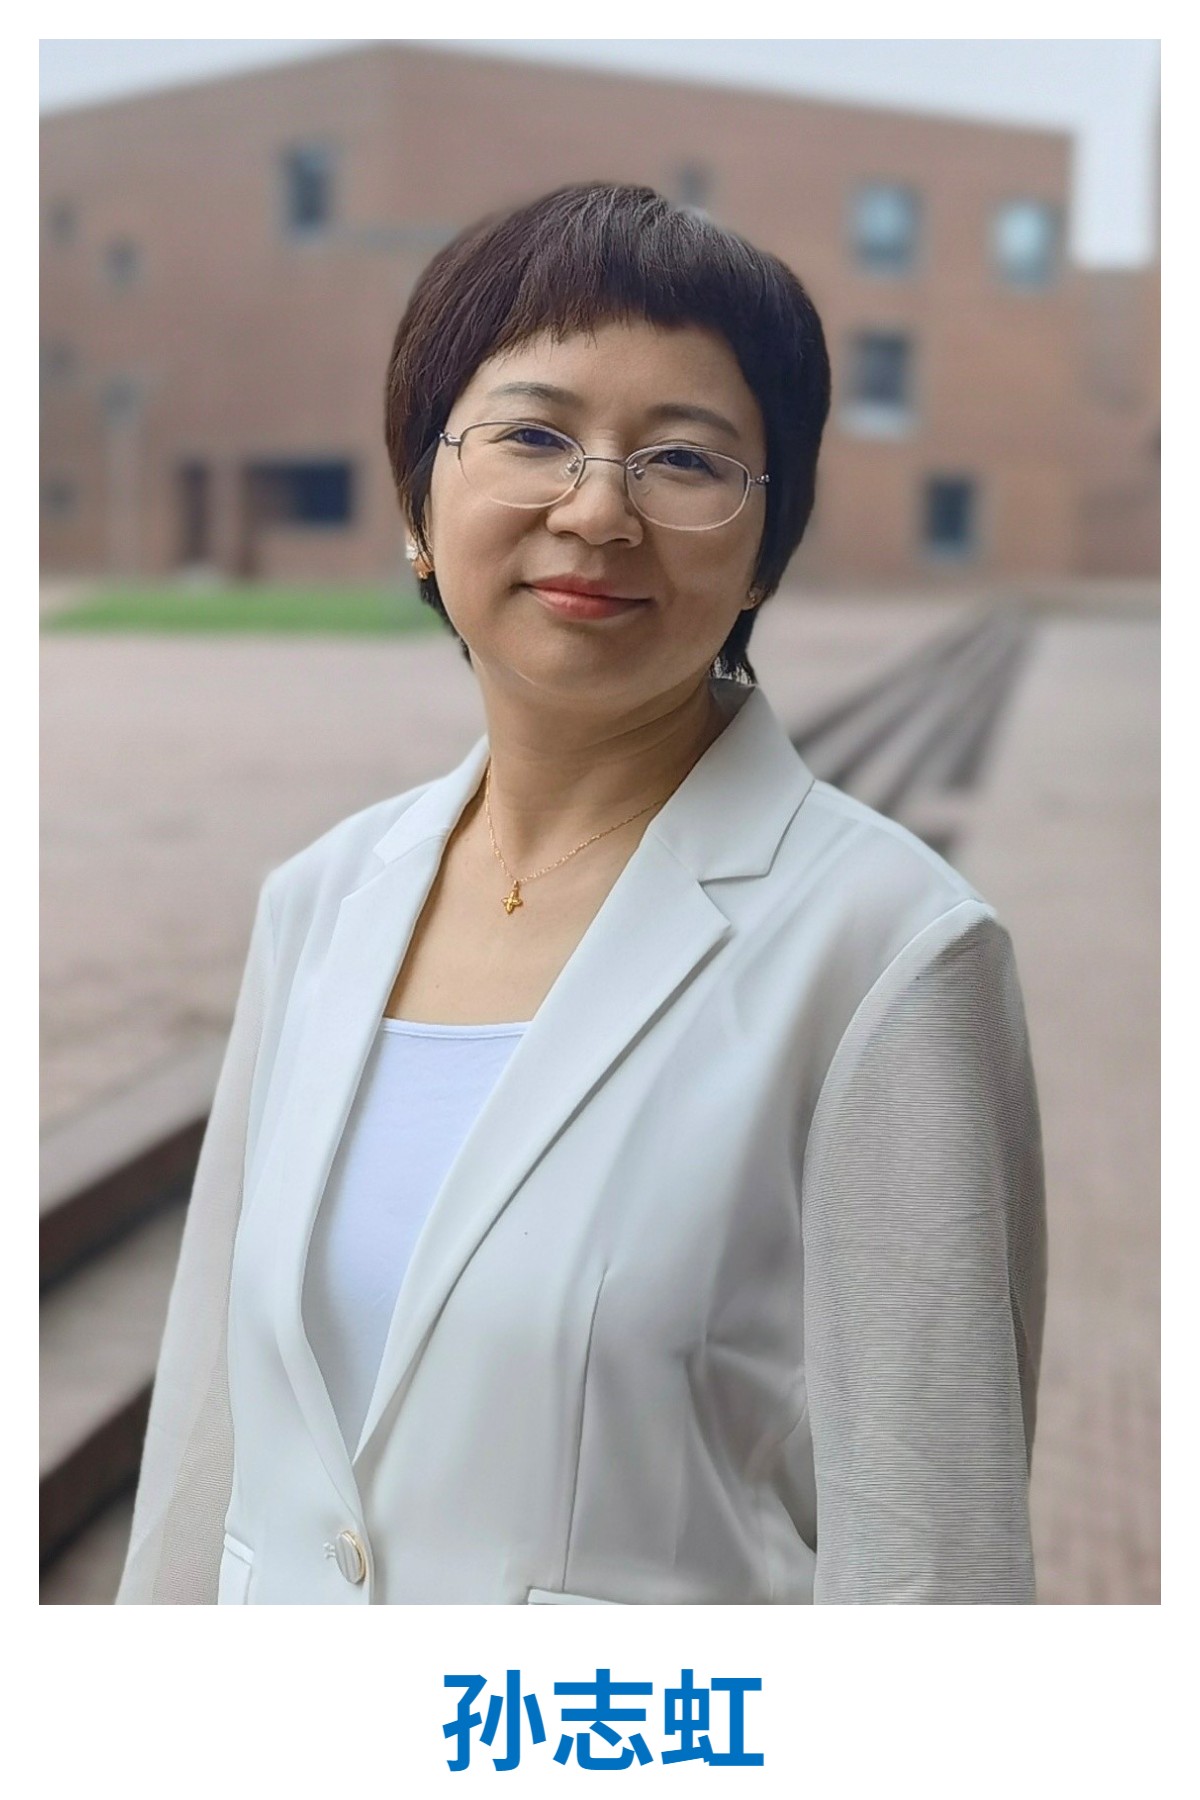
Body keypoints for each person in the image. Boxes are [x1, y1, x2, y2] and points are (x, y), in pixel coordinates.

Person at [117, 181, 1046, 1606]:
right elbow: (209, 1439)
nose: (598, 509)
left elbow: (933, 1564)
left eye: (685, 460)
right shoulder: (321, 900)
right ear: (420, 503)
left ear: (765, 547)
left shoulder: (887, 951)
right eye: (534, 435)